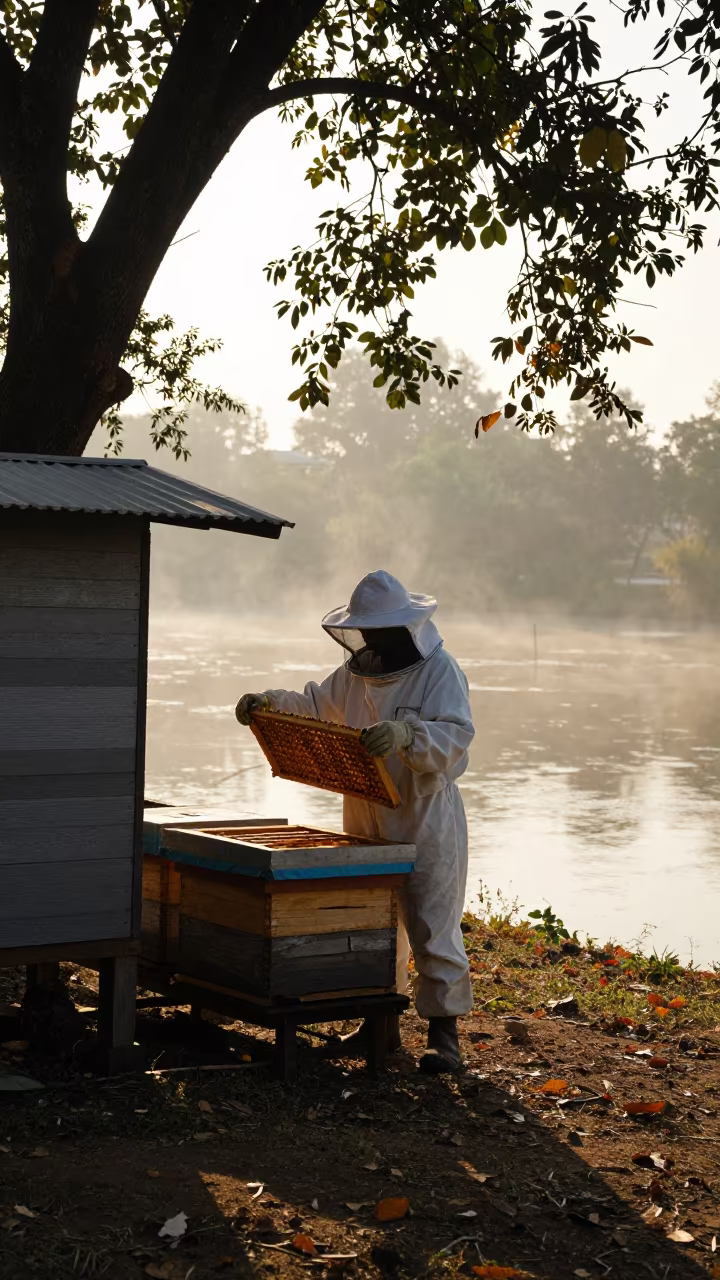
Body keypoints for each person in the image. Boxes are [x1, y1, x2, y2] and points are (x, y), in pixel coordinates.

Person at [236, 570, 475, 1072]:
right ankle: (378, 1026)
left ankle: (444, 1034)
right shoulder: (355, 673)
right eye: (365, 632)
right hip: (366, 807)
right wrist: (268, 703)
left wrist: (408, 736)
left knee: (432, 921)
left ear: (403, 629)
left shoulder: (440, 672)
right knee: (373, 921)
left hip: (424, 812)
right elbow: (315, 708)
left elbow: (456, 737)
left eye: (378, 632)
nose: (369, 641)